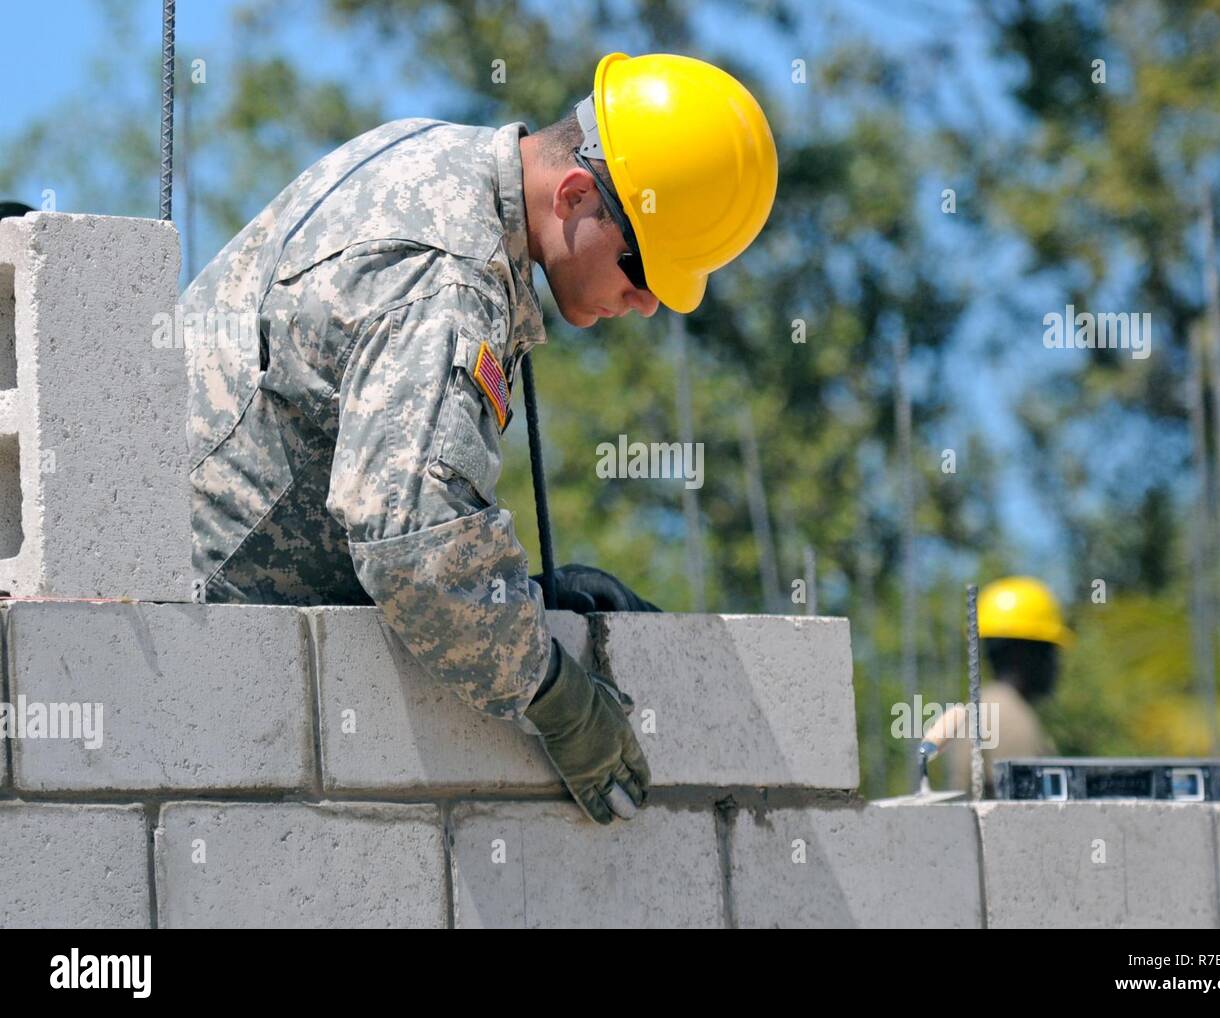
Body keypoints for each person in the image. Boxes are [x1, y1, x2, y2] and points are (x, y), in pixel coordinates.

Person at [182, 52, 778, 825]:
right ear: (574, 195)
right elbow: (414, 545)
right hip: (195, 628)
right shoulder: (449, 275)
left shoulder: (439, 160)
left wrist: (522, 595)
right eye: (643, 270)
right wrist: (557, 697)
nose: (647, 303)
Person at [946, 576, 1073, 794]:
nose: (1057, 665)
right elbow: (1028, 817)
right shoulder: (1010, 719)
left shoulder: (984, 705)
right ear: (1023, 653)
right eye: (1050, 651)